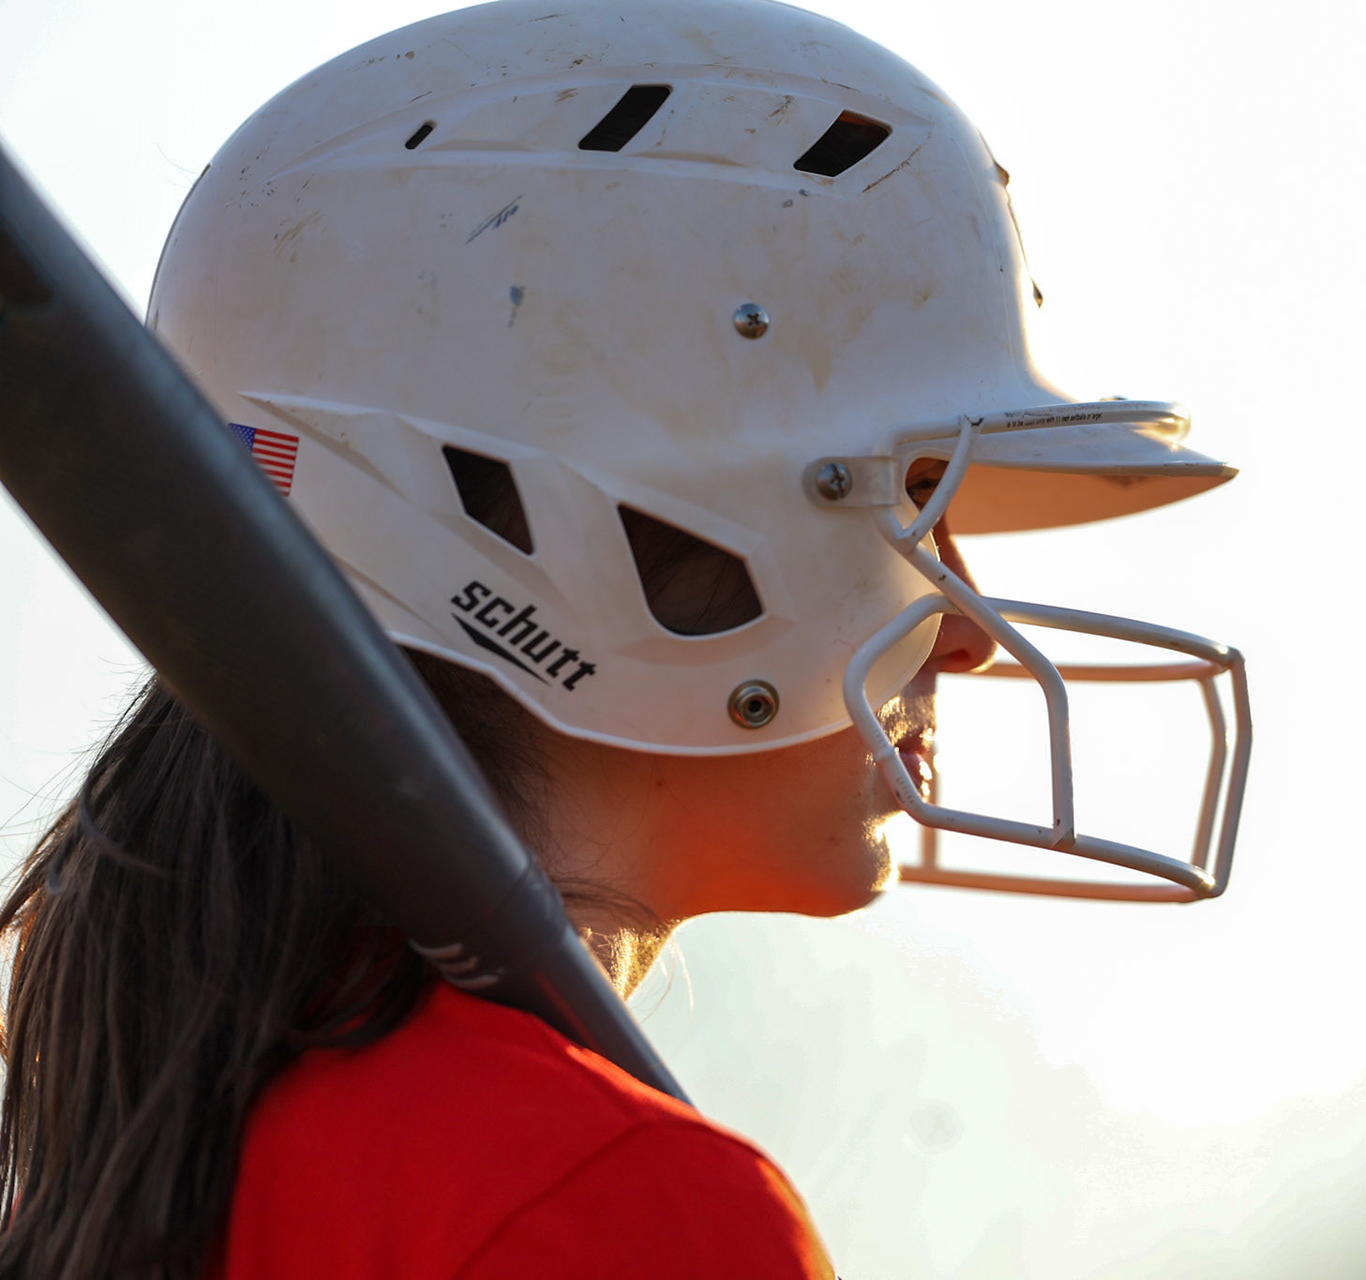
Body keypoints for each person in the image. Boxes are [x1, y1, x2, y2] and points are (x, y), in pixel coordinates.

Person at [0, 0, 1247, 1276]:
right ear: (602, 518)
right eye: (914, 504)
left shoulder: (184, 1140)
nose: (970, 633)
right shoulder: (606, 1201)